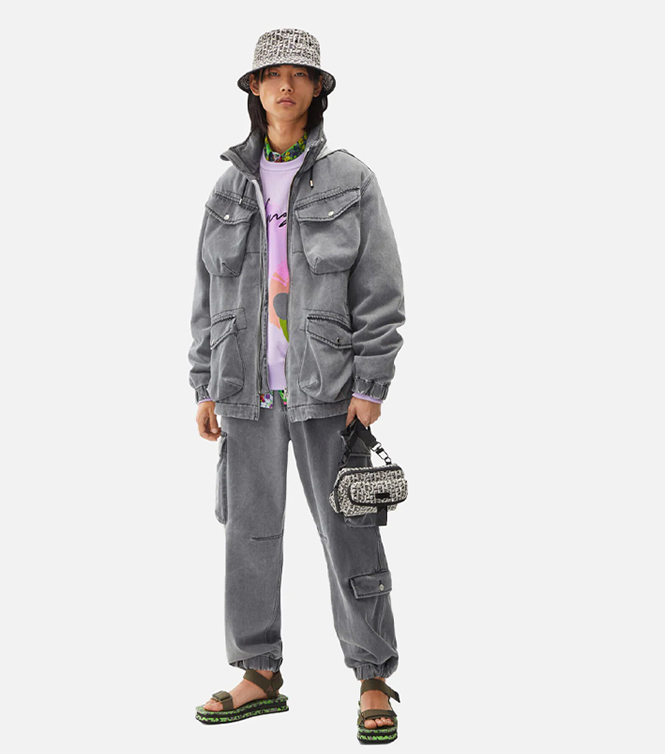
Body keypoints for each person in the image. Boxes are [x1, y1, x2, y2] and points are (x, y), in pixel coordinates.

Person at [188, 28, 406, 743]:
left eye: (299, 74)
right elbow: (207, 294)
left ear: (317, 89)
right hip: (244, 389)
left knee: (350, 531)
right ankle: (259, 672)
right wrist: (204, 383)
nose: (285, 85)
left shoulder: (351, 179)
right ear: (254, 88)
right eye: (271, 74)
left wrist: (371, 381)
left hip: (329, 389)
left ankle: (372, 675)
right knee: (249, 535)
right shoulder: (228, 187)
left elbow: (380, 290)